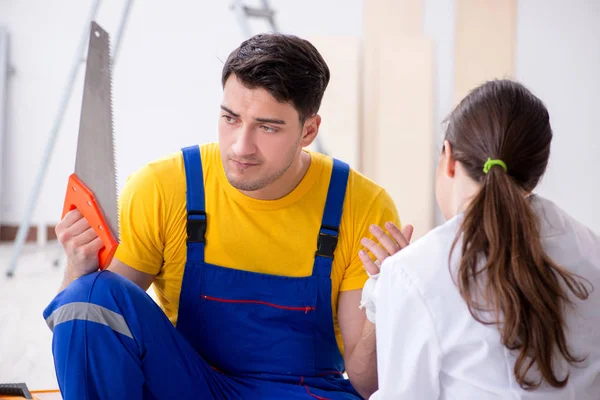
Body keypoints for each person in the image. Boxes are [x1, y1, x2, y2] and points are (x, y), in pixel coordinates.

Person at [43, 33, 400, 400]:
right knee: (90, 292)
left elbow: (366, 384)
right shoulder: (163, 188)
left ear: (308, 130)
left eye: (267, 127)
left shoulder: (362, 207)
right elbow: (91, 330)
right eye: (230, 118)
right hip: (188, 385)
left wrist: (383, 300)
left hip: (303, 392)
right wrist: (76, 270)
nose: (240, 147)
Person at [359, 79, 600, 399]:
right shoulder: (590, 249)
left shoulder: (415, 273)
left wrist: (390, 287)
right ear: (536, 172)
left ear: (448, 158)